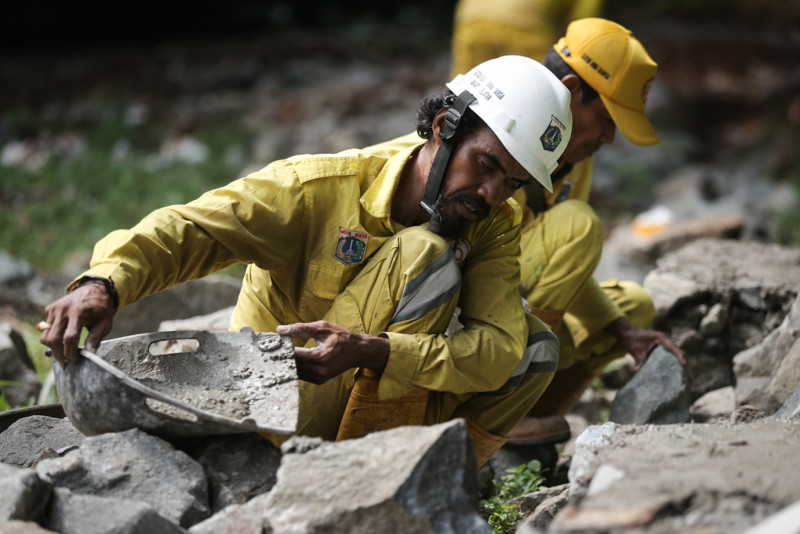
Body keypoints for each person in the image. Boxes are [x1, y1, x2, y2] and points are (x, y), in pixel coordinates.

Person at [39, 55, 573, 466]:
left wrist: (378, 351)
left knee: (535, 349)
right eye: (485, 165)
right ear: (443, 128)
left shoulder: (492, 221)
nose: (490, 193)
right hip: (278, 398)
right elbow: (195, 227)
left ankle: (429, 485)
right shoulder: (317, 189)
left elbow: (501, 346)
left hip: (377, 400)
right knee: (425, 253)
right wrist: (102, 284)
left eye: (512, 182)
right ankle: (349, 485)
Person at [369, 18, 688, 446]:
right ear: (571, 91)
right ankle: (496, 397)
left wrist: (623, 330)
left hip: (505, 305)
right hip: (438, 308)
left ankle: (524, 415)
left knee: (633, 306)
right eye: (607, 118)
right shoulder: (491, 147)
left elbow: (558, 262)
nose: (610, 137)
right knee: (578, 226)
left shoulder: (575, 162)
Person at [450, 0, 605, 78]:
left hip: (471, 19)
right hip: (524, 25)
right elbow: (583, 27)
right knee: (537, 94)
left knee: (460, 94)